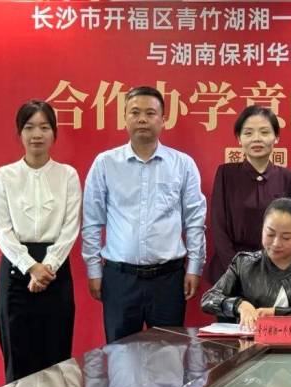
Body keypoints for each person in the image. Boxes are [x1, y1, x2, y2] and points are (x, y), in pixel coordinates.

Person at [82, 86, 207, 343]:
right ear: (125, 118)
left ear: (163, 120)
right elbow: (92, 221)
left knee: (168, 357)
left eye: (150, 113)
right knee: (119, 356)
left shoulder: (182, 164)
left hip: (168, 280)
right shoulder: (105, 163)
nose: (142, 119)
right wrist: (94, 270)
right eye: (135, 112)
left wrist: (194, 267)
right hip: (119, 279)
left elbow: (195, 221)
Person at [0, 100, 81, 383]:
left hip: (55, 270)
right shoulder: (4, 176)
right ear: (20, 132)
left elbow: (70, 227)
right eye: (29, 127)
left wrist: (47, 267)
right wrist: (31, 266)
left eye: (44, 127)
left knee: (56, 359)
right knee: (18, 360)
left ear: (54, 132)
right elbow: (2, 230)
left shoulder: (68, 175)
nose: (37, 134)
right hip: (16, 271)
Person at [202, 198, 291, 328]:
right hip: (251, 340)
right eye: (270, 234)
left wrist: (276, 313)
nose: (276, 243)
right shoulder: (244, 264)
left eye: (286, 237)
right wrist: (239, 305)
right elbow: (208, 299)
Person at [208, 106, 291, 283]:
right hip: (231, 272)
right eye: (248, 133)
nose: (256, 138)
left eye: (264, 132)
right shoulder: (226, 174)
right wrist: (238, 271)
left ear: (276, 137)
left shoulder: (289, 178)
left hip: (276, 271)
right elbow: (218, 227)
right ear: (239, 139)